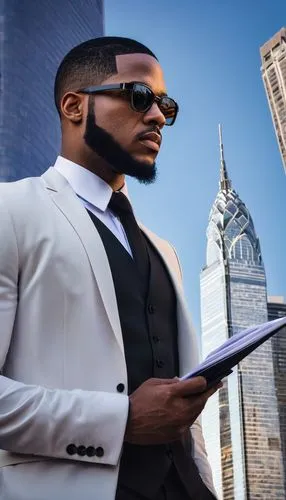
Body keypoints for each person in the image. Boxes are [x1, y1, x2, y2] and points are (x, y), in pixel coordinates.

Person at [0, 37, 220, 500]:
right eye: (140, 96)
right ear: (75, 106)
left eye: (166, 105)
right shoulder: (9, 211)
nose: (158, 117)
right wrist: (120, 420)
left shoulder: (164, 251)